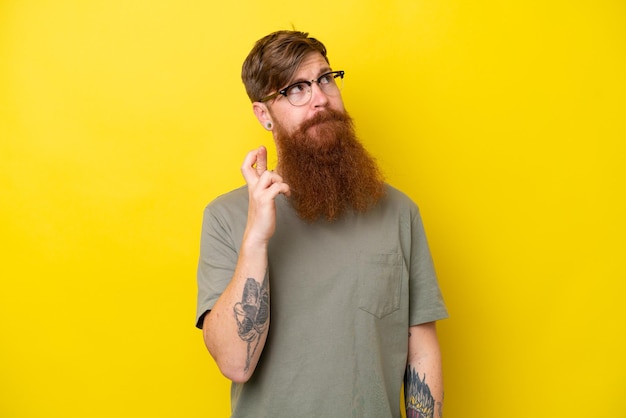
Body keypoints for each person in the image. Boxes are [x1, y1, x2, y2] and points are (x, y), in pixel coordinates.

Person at [196, 30, 448, 418]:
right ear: (264, 114)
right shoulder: (227, 218)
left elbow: (420, 344)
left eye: (325, 79)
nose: (320, 99)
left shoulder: (400, 212)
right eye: (295, 89)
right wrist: (257, 239)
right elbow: (235, 364)